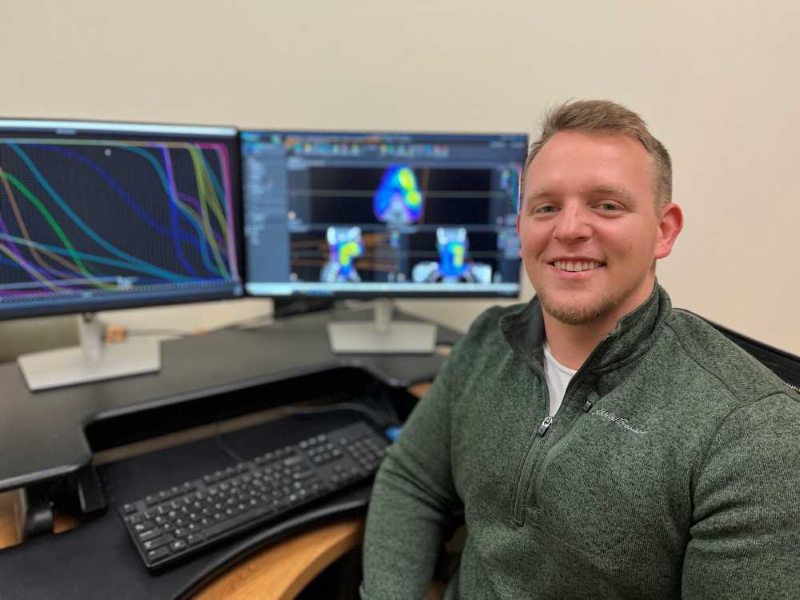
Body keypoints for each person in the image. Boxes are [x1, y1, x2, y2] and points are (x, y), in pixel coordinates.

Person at [360, 100, 800, 598]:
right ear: (520, 226)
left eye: (606, 205)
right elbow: (411, 482)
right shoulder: (487, 343)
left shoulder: (754, 435)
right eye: (546, 207)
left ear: (664, 230)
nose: (568, 230)